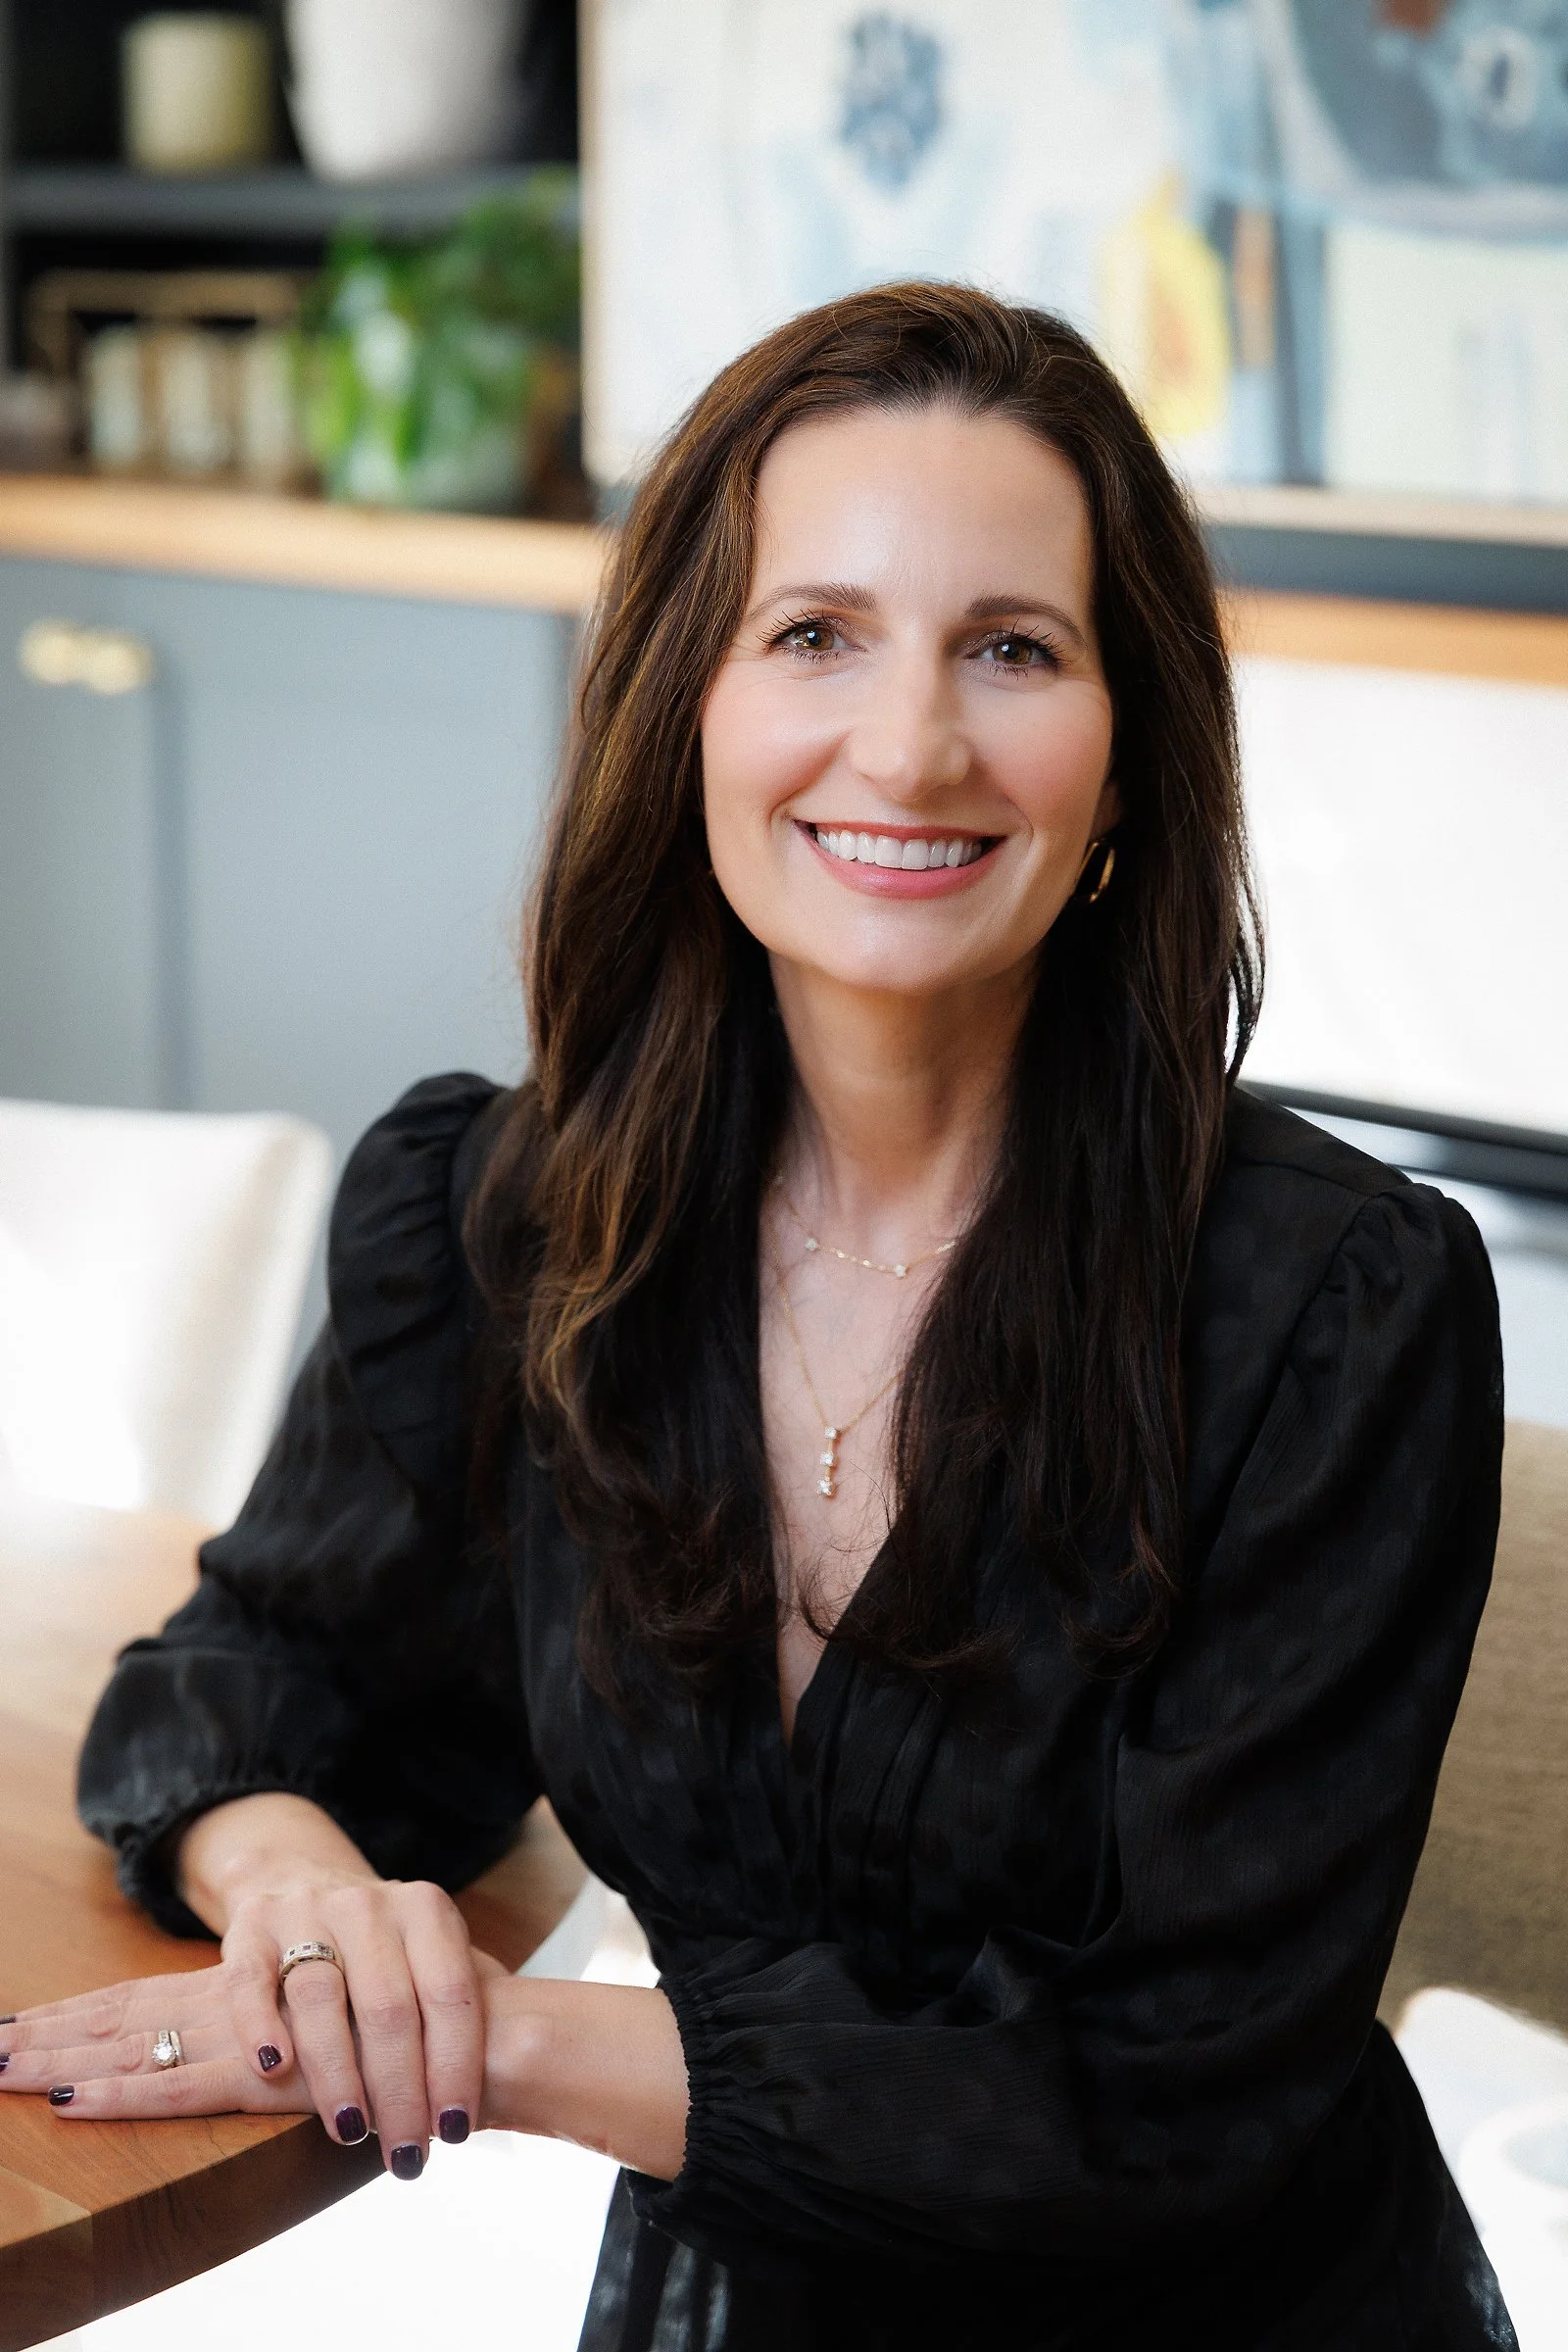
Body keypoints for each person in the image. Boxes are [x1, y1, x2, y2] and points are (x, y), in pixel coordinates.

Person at [0, 285, 1510, 2350]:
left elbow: (1167, 2100)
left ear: (1127, 743)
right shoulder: (495, 1218)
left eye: (1011, 646)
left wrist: (499, 2047)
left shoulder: (1332, 1307)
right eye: (812, 633)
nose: (908, 743)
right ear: (681, 707)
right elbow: (252, 1675)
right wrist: (307, 1913)